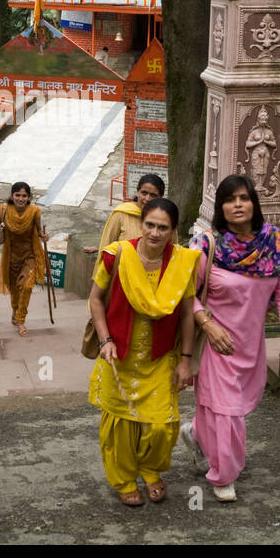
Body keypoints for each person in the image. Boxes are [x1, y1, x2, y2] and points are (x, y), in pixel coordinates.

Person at [181, 176, 280, 502]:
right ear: (220, 207)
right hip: (218, 345)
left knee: (228, 410)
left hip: (251, 345)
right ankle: (223, 474)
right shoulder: (207, 245)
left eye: (244, 198)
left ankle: (195, 435)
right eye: (230, 199)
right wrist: (208, 325)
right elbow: (185, 293)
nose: (238, 204)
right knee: (228, 412)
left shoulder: (274, 243)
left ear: (254, 203)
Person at [88, 198, 200, 506]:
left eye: (162, 227)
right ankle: (123, 478)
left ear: (172, 230)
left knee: (162, 425)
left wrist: (186, 360)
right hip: (119, 355)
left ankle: (151, 470)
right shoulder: (117, 256)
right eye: (149, 225)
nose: (154, 232)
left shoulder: (182, 262)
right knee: (120, 424)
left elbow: (188, 314)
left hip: (160, 356)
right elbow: (96, 299)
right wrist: (105, 339)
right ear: (142, 224)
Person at [0, 182, 47, 337]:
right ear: (12, 196)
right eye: (17, 195)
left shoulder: (35, 211)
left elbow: (39, 231)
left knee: (27, 286)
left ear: (29, 197)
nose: (21, 199)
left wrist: (43, 235)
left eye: (24, 196)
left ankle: (21, 320)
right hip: (11, 256)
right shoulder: (5, 209)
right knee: (15, 288)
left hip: (30, 255)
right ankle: (15, 310)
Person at [85, 173, 164, 255]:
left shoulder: (164, 218)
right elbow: (107, 243)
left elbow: (172, 249)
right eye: (144, 193)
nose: (147, 198)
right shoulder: (121, 214)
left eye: (153, 195)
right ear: (138, 192)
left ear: (161, 197)